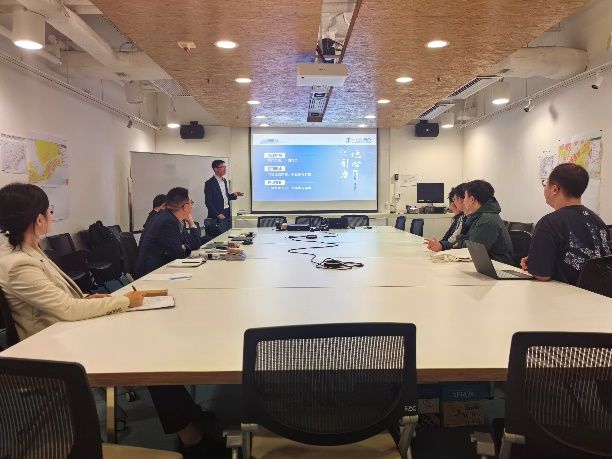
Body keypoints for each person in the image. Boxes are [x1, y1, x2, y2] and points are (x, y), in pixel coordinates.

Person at [0, 183, 225, 459]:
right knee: (151, 355)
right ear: (38, 219)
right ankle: (192, 438)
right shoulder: (18, 264)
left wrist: (88, 298)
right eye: (50, 211)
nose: (51, 216)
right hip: (56, 346)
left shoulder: (26, 250)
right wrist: (126, 300)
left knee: (153, 344)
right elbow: (66, 309)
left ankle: (189, 418)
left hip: (65, 329)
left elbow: (57, 300)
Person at [521, 163, 611, 284]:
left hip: (565, 293)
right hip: (599, 294)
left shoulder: (548, 223)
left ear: (554, 189)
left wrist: (536, 266)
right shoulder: (599, 222)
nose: (545, 187)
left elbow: (542, 276)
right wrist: (537, 259)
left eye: (546, 183)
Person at [425, 179, 514, 265]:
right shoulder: (478, 217)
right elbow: (464, 243)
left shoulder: (487, 220)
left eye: (465, 197)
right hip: (485, 265)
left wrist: (461, 240)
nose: (463, 201)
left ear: (472, 200)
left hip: (497, 267)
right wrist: (442, 246)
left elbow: (470, 250)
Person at [136, 187, 201, 278]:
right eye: (191, 202)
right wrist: (183, 247)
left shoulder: (171, 218)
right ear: (185, 207)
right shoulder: (167, 222)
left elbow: (195, 244)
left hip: (162, 268)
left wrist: (191, 222)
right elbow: (179, 255)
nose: (192, 206)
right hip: (152, 275)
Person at [204, 160, 243, 233]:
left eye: (225, 167)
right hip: (218, 214)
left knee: (228, 233)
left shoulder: (224, 181)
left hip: (227, 212)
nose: (225, 169)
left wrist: (234, 194)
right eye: (222, 167)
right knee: (221, 235)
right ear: (215, 169)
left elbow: (225, 196)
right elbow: (208, 202)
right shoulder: (209, 183)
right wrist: (217, 214)